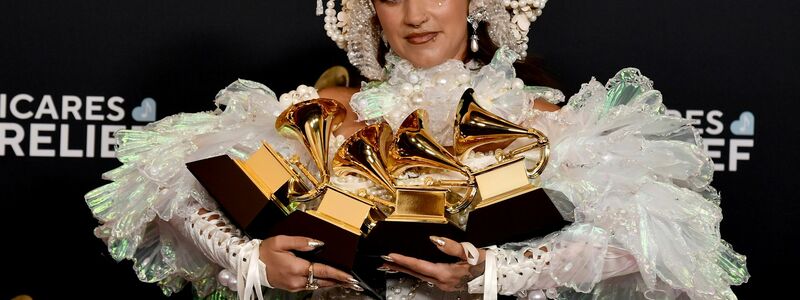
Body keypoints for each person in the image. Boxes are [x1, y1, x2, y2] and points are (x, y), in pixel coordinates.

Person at [85, 0, 749, 299]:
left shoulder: (537, 119)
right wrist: (251, 260)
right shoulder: (320, 114)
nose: (414, 15)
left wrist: (496, 274)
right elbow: (161, 186)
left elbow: (655, 238)